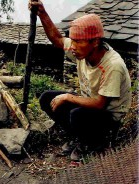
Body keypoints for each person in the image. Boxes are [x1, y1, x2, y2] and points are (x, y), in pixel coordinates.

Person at [29, 1, 131, 160]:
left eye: (78, 41)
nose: (73, 46)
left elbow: (100, 104)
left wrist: (68, 97)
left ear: (95, 42)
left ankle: (94, 143)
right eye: (73, 40)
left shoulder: (112, 65)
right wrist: (41, 12)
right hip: (90, 106)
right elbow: (57, 39)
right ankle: (79, 136)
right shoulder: (82, 50)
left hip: (109, 116)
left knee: (76, 114)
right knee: (47, 99)